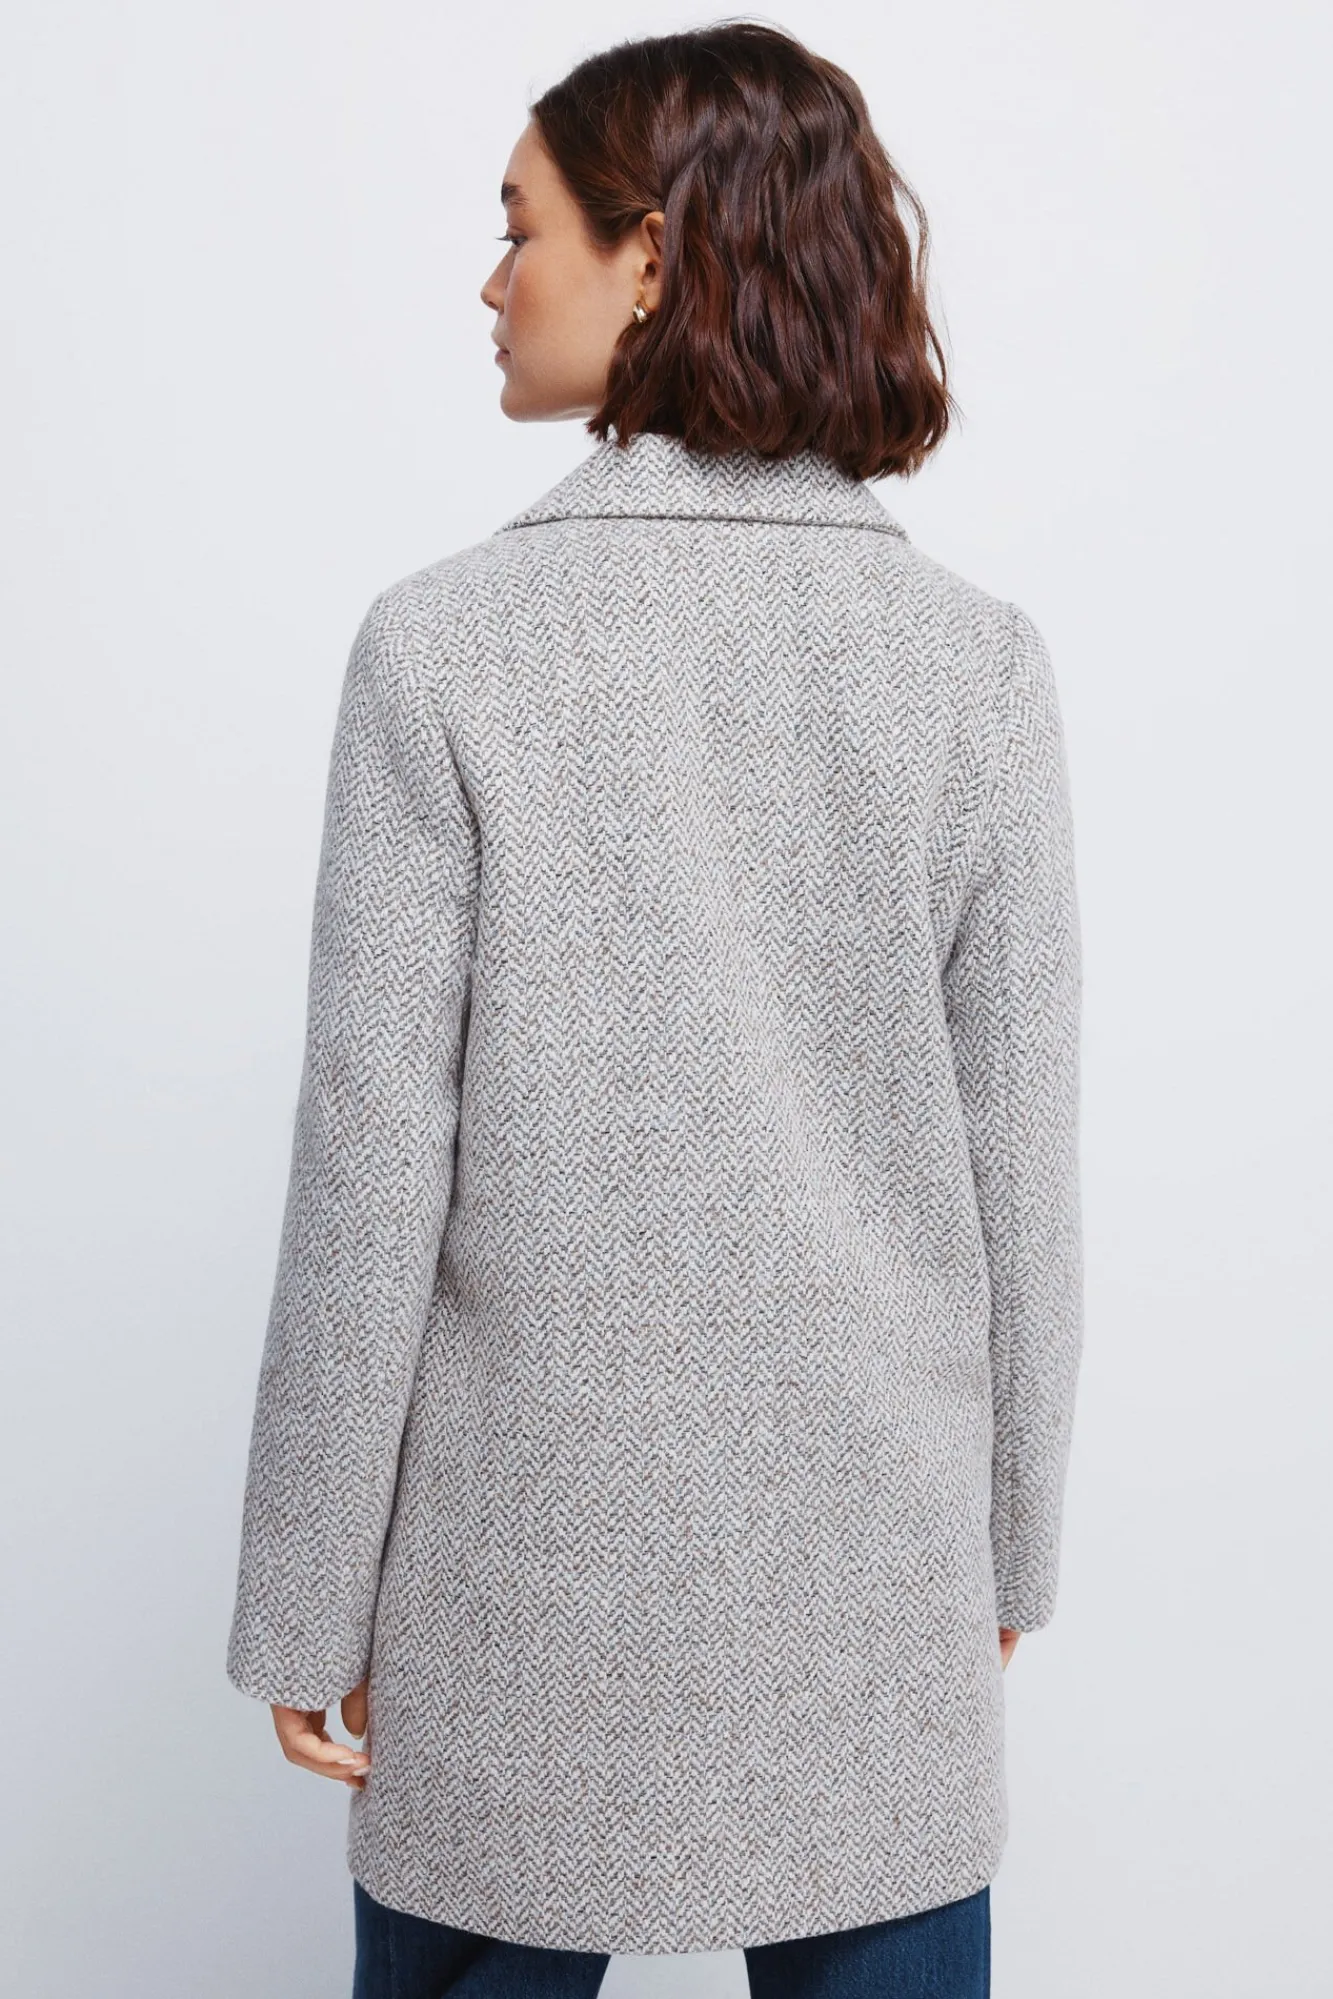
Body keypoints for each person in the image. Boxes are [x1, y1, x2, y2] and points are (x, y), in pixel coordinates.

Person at [225, 22, 1083, 1998]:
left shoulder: (443, 651)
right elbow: (1019, 1187)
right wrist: (1011, 1551)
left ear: (656, 259)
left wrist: (304, 1603)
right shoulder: (976, 670)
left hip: (512, 1594)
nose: (489, 279)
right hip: (871, 1585)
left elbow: (371, 1185)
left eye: (520, 225)